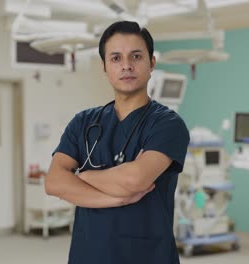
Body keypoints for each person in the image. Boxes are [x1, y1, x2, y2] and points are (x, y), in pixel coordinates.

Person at [45, 20, 190, 264]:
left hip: (147, 255)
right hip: (88, 255)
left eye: (136, 56)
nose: (126, 66)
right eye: (115, 58)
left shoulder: (167, 124)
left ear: (151, 63)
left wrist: (83, 177)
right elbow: (54, 182)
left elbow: (136, 179)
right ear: (104, 67)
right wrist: (117, 198)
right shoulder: (84, 123)